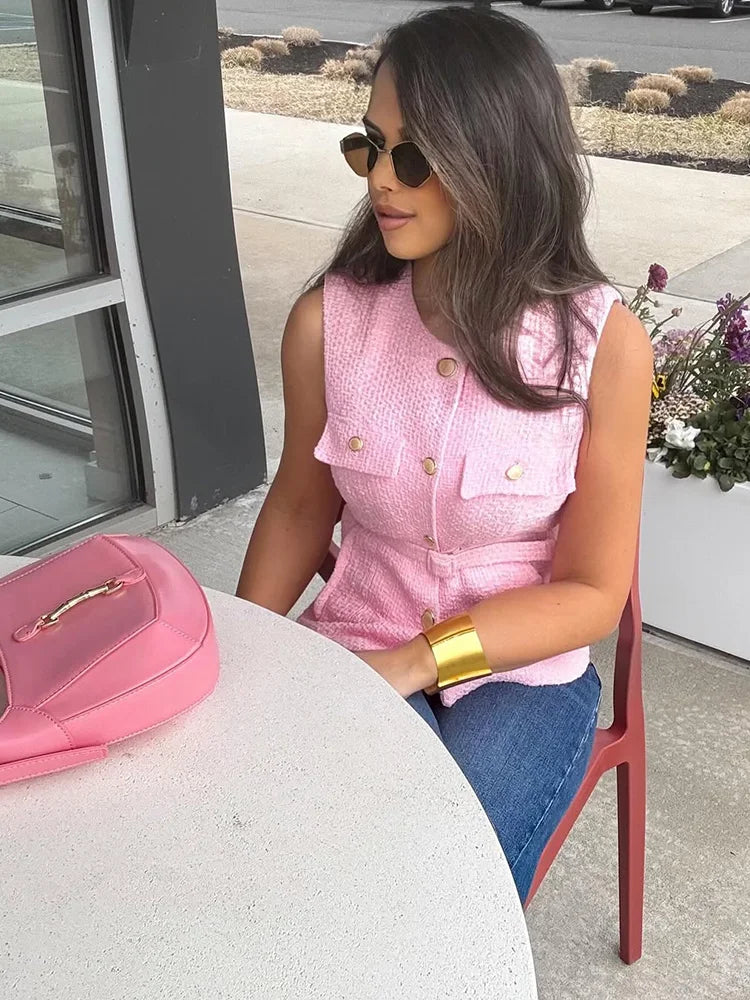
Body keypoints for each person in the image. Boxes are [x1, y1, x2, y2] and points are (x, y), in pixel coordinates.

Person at [236, 6, 652, 905]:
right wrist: (242, 652)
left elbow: (592, 593)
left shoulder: (603, 347)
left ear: (496, 158)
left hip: (520, 671)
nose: (381, 180)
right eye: (370, 146)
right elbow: (305, 506)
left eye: (414, 156)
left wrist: (422, 661)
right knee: (289, 853)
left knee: (441, 879)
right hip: (356, 636)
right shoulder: (327, 323)